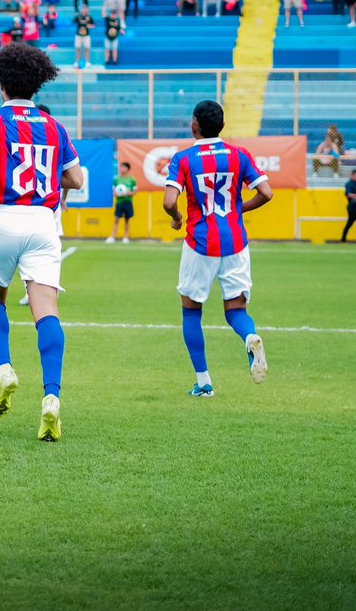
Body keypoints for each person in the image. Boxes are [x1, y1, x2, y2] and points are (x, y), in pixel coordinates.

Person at [0, 44, 83, 441]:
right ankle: (51, 397)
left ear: (1, 82)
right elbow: (77, 179)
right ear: (38, 84)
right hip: (42, 223)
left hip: (1, 217)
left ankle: (4, 369)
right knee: (46, 311)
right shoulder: (55, 127)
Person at [162, 100, 273, 397]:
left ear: (194, 125)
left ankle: (204, 383)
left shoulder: (184, 159)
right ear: (222, 126)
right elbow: (266, 193)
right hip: (235, 241)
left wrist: (176, 219)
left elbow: (169, 202)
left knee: (191, 311)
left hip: (201, 243)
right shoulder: (239, 155)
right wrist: (239, 210)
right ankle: (250, 337)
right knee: (236, 308)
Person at [106, 161, 137, 243]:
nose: (121, 168)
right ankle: (112, 237)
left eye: (123, 167)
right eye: (121, 167)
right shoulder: (117, 179)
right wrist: (116, 194)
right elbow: (114, 191)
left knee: (127, 220)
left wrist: (128, 193)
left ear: (127, 169)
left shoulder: (131, 179)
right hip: (119, 202)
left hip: (128, 202)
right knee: (116, 219)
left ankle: (126, 238)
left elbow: (134, 191)